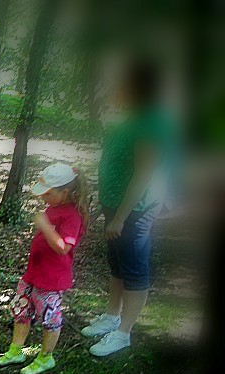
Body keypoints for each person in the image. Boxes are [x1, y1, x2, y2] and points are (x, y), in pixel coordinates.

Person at [82, 58, 179, 357]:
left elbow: (143, 174)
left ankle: (124, 332)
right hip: (116, 206)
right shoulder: (134, 116)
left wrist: (121, 218)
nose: (115, 87)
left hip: (135, 210)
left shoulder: (152, 122)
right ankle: (112, 315)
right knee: (117, 261)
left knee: (134, 268)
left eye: (122, 82)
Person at [0, 163, 89, 374]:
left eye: (48, 193)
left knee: (49, 316)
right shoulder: (53, 207)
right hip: (34, 273)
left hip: (51, 278)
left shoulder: (72, 216)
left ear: (64, 192)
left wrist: (45, 226)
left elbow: (63, 247)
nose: (43, 197)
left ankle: (46, 357)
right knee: (22, 309)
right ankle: (15, 350)